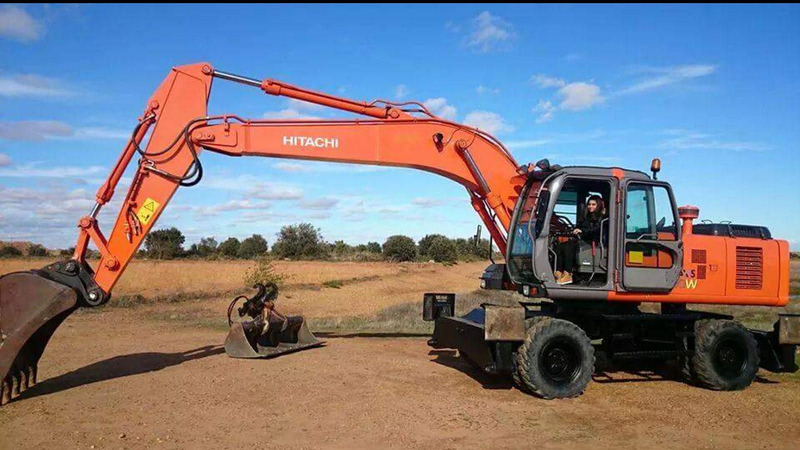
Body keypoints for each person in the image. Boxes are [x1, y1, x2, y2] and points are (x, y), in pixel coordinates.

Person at [553, 195, 606, 285]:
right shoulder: (587, 217)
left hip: (592, 241)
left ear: (599, 205)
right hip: (582, 240)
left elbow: (596, 230)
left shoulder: (601, 218)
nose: (590, 206)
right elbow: (580, 225)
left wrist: (582, 231)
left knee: (569, 246)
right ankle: (558, 272)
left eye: (593, 204)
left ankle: (568, 273)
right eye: (589, 204)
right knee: (560, 246)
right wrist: (575, 229)